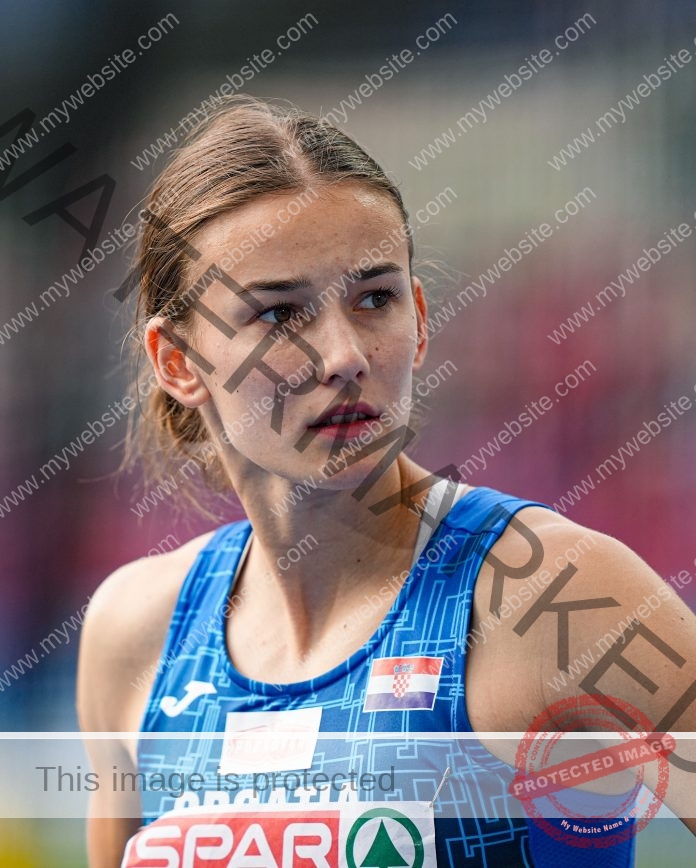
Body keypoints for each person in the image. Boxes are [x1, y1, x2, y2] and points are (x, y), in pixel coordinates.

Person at [77, 96, 696, 867]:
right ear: (179, 362)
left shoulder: (549, 600)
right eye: (277, 315)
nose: (342, 355)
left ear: (423, 319)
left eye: (375, 299)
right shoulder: (134, 632)